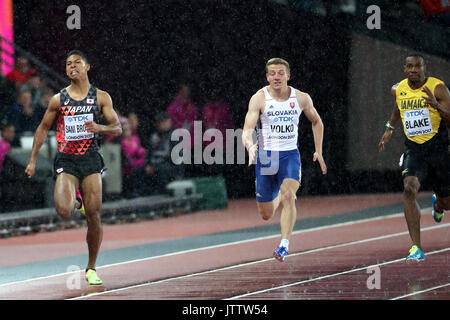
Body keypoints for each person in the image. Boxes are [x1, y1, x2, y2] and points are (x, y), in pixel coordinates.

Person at [24, 50, 122, 285]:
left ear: (87, 67)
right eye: (68, 63)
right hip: (66, 161)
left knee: (94, 214)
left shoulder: (101, 97)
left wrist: (99, 128)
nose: (72, 66)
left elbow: (117, 128)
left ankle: (91, 267)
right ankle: (77, 202)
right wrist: (33, 159)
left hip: (90, 159)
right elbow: (42, 128)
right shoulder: (59, 99)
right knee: (63, 210)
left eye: (77, 62)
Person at [242, 58, 327, 262]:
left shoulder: (301, 98)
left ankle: (284, 245)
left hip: (289, 155)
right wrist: (249, 146)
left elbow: (316, 121)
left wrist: (318, 150)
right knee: (266, 214)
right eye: (272, 73)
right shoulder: (259, 99)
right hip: (267, 157)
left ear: (288, 75)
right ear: (267, 77)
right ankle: (279, 195)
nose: (276, 77)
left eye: (281, 73)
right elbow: (247, 129)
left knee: (289, 194)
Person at [378, 54, 450, 262]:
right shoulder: (398, 88)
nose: (413, 70)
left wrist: (436, 105)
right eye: (409, 66)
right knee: (409, 188)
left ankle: (438, 205)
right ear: (404, 69)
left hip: (438, 151)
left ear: (424, 68)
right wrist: (389, 129)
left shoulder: (439, 89)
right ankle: (416, 247)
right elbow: (398, 107)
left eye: (417, 66)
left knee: (447, 204)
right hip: (415, 151)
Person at [143, 112, 184, 195]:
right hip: (154, 165)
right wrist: (147, 165)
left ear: (169, 122)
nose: (161, 124)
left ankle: (162, 195)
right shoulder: (154, 136)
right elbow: (148, 154)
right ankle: (139, 196)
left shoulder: (175, 136)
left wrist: (156, 167)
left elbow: (176, 159)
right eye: (159, 122)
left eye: (163, 122)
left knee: (161, 171)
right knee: (137, 171)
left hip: (170, 167)